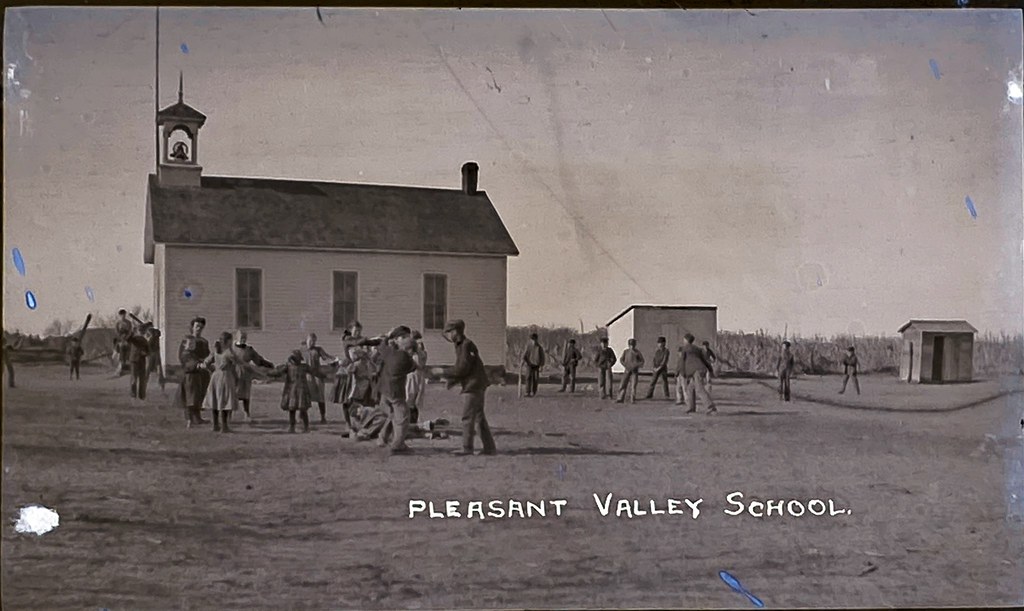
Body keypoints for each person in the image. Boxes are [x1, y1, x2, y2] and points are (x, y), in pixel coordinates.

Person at [444, 319, 496, 456]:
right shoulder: (462, 345)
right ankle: (489, 448)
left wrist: (444, 372)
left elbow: (463, 368)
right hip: (476, 384)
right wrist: (452, 381)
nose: (448, 335)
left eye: (449, 332)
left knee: (467, 417)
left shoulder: (466, 345)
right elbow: (464, 368)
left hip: (474, 385)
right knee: (479, 417)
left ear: (456, 331)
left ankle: (467, 448)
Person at [375, 326, 419, 454]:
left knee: (392, 415)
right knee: (403, 416)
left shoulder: (389, 351)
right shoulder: (404, 358)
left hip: (384, 389)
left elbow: (381, 346)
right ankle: (398, 445)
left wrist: (388, 337)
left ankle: (382, 438)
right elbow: (414, 367)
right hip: (395, 392)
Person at [230, 330, 274, 420]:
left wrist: (268, 364)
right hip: (234, 374)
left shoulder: (249, 350)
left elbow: (258, 360)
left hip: (245, 374)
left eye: (244, 337)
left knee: (245, 395)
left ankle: (246, 413)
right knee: (232, 394)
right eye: (241, 337)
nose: (242, 339)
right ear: (237, 337)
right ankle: (228, 415)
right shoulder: (231, 349)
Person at [176, 317, 211, 428]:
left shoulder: (204, 342)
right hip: (191, 372)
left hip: (203, 373)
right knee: (191, 395)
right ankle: (189, 419)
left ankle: (197, 417)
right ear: (192, 327)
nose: (199, 329)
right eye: (197, 326)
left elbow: (207, 355)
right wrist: (195, 364)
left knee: (200, 394)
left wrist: (209, 362)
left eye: (201, 327)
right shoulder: (187, 341)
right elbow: (183, 357)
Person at [203, 332, 239, 432]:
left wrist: (212, 369)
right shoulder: (228, 353)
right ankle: (224, 426)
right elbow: (236, 361)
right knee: (225, 400)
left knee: (216, 400)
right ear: (228, 341)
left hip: (215, 376)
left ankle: (215, 425)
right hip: (226, 376)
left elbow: (206, 363)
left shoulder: (215, 352)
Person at [270, 350, 312, 433]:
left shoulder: (303, 367)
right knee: (292, 409)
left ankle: (305, 427)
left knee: (302, 409)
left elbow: (315, 371)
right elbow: (278, 372)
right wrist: (269, 372)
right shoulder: (288, 366)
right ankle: (293, 427)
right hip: (293, 390)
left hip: (299, 390)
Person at [676, 333, 717, 413]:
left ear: (686, 340)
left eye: (684, 339)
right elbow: (704, 360)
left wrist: (681, 373)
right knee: (690, 388)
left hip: (696, 371)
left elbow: (681, 362)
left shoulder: (684, 349)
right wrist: (710, 369)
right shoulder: (697, 349)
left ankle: (710, 407)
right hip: (701, 369)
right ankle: (691, 407)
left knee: (699, 389)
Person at [303, 333, 337, 424]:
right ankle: (302, 416)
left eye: (314, 341)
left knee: (320, 396)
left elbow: (326, 357)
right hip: (307, 376)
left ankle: (323, 417)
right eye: (310, 341)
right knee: (305, 396)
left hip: (317, 375)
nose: (312, 343)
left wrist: (333, 360)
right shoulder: (303, 350)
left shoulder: (318, 350)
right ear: (307, 340)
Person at [406, 330, 428, 425]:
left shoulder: (421, 352)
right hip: (411, 374)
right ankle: (409, 419)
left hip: (419, 374)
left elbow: (422, 363)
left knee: (419, 398)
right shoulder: (410, 352)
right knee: (410, 396)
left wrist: (418, 349)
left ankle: (416, 420)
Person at [126, 325, 152, 400]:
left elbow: (148, 351)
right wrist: (131, 331)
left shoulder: (145, 340)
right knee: (134, 378)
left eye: (142, 331)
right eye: (139, 331)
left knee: (142, 379)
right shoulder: (133, 338)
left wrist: (145, 353)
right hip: (134, 361)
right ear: (137, 331)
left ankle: (142, 396)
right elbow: (128, 338)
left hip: (142, 361)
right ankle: (133, 395)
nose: (141, 332)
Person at [616, 339, 645, 404]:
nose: (632, 346)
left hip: (634, 371)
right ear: (628, 345)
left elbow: (642, 361)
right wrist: (625, 365)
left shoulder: (637, 352)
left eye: (633, 345)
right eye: (630, 345)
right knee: (623, 384)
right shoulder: (626, 352)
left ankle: (632, 399)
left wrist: (636, 365)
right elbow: (621, 360)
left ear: (635, 345)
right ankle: (620, 398)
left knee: (633, 385)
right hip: (627, 370)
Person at [521, 333, 545, 398]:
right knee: (528, 377)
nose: (533, 341)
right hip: (529, 364)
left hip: (536, 365)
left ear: (536, 339)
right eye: (532, 339)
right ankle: (527, 392)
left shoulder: (539, 347)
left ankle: (533, 392)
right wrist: (523, 361)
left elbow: (542, 357)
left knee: (535, 379)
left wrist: (541, 366)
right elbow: (525, 354)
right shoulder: (528, 346)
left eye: (534, 339)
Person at [113, 309, 134, 376]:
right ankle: (121, 363)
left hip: (128, 338)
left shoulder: (129, 323)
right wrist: (121, 337)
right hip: (120, 338)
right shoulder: (118, 323)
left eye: (124, 315)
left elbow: (130, 331)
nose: (123, 316)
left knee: (129, 348)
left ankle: (128, 364)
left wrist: (127, 337)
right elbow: (116, 331)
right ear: (119, 315)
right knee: (120, 348)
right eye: (121, 315)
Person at [145, 326, 166, 391]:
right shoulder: (156, 338)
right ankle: (161, 385)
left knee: (147, 370)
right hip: (157, 354)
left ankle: (144, 383)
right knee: (159, 369)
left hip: (151, 355)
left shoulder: (151, 339)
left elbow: (148, 347)